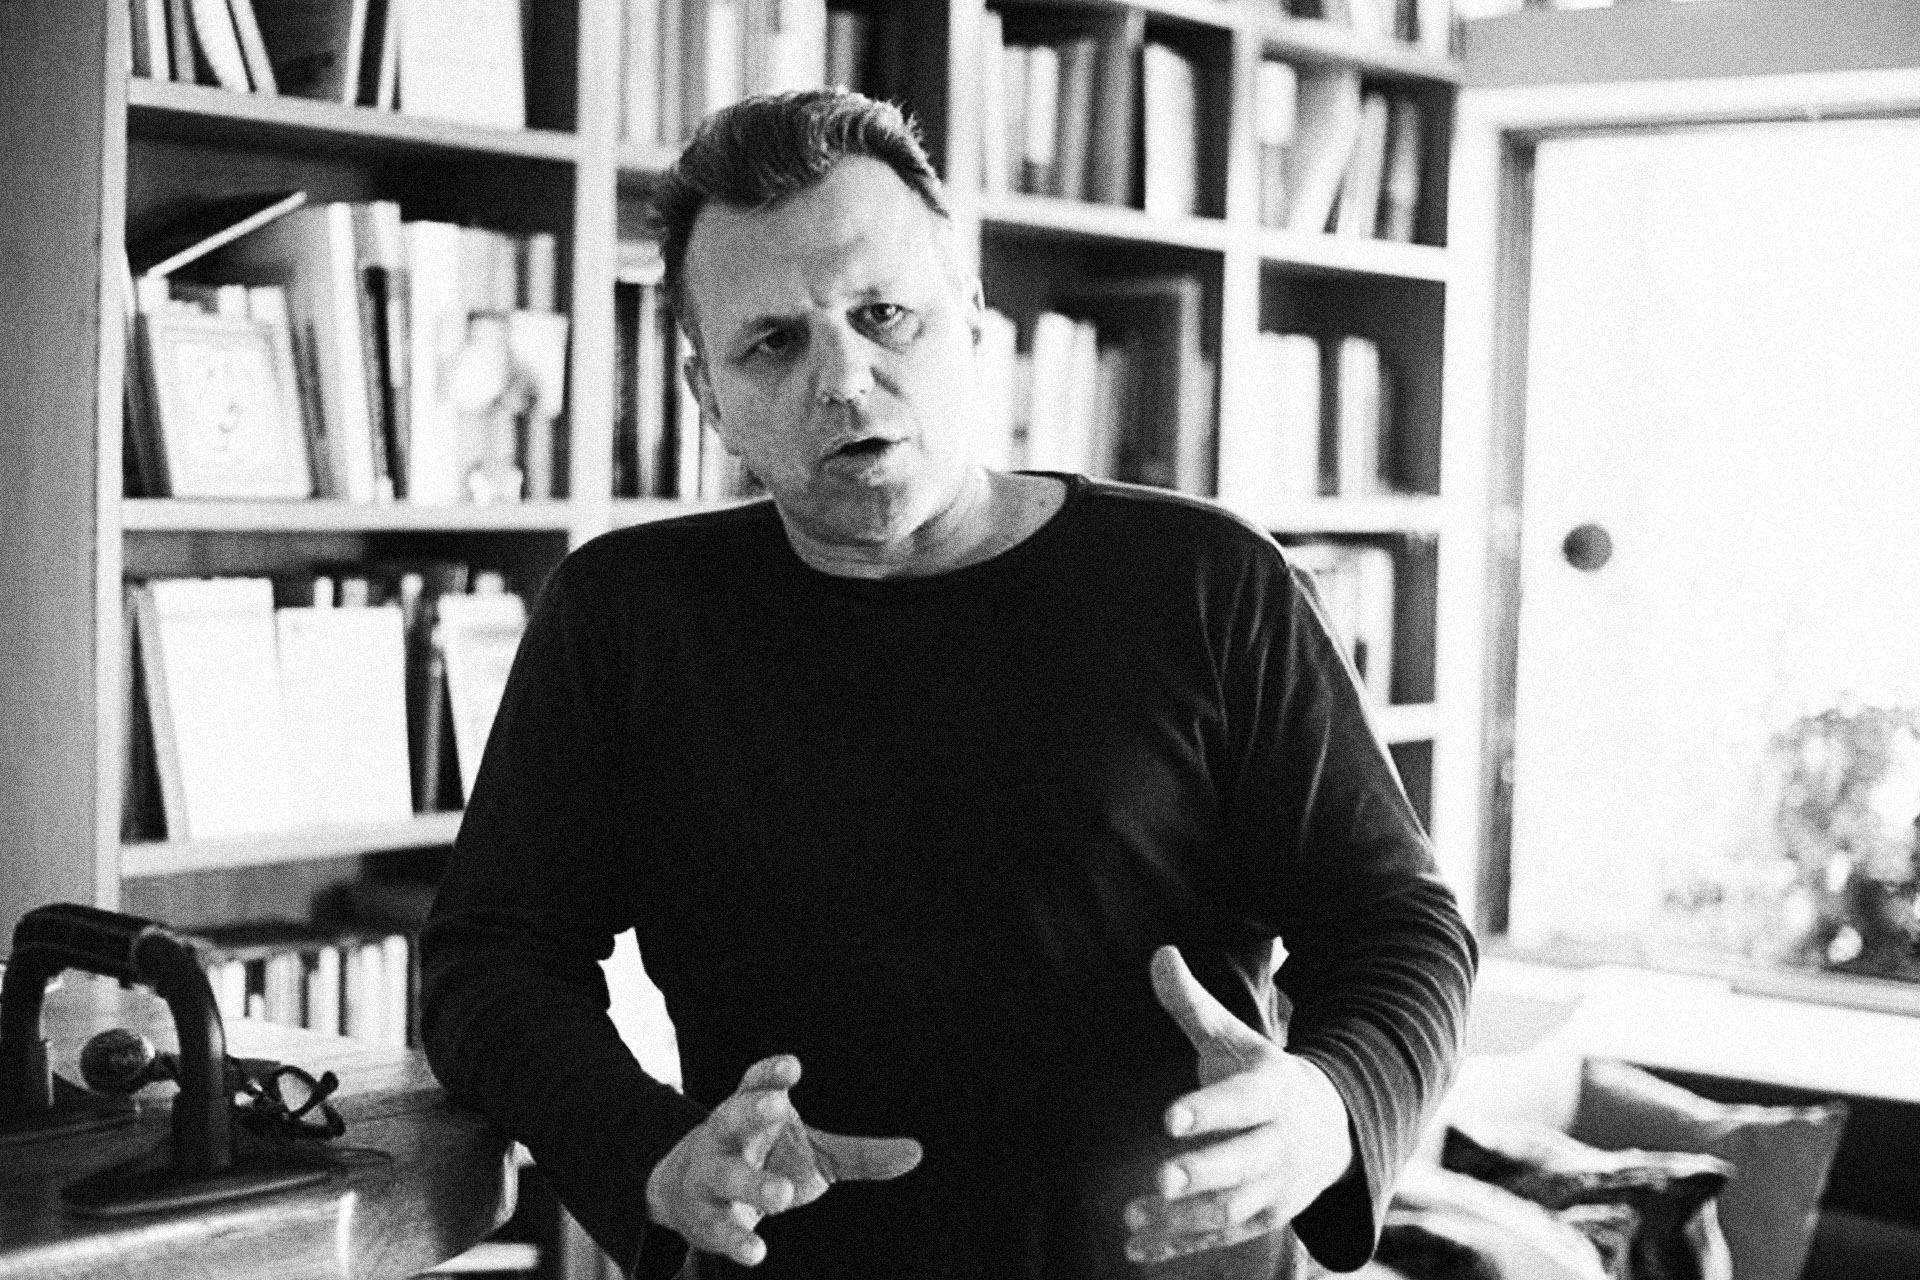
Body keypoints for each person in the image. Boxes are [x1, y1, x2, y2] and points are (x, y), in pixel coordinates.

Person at [420, 88, 1476, 1280]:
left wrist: (1329, 1108)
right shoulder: (624, 617)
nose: (844, 376)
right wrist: (649, 1150)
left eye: (885, 315)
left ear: (972, 322)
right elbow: (487, 959)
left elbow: (1401, 926)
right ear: (708, 395)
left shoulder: (1208, 581)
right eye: (774, 342)